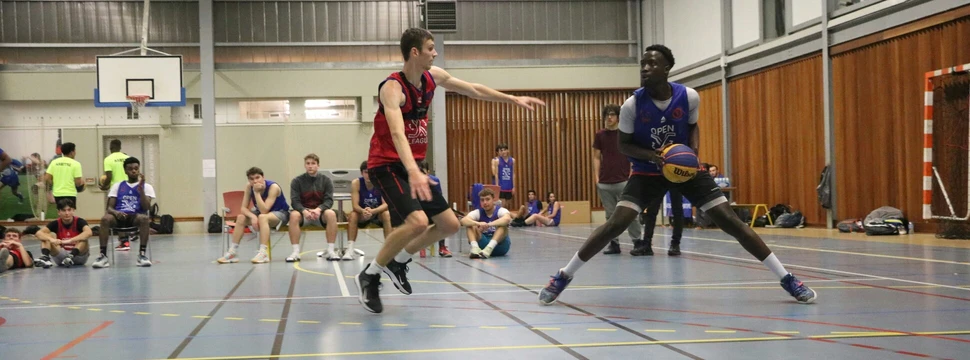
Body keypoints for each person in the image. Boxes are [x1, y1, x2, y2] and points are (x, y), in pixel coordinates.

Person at [538, 45, 816, 305]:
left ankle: (787, 278)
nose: (645, 68)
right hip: (647, 171)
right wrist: (653, 157)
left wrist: (693, 153)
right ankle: (564, 275)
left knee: (730, 221)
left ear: (667, 68)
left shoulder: (689, 96)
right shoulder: (632, 105)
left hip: (684, 169)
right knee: (615, 224)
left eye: (652, 64)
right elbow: (624, 145)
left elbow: (693, 127)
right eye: (643, 64)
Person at [355, 27, 545, 313]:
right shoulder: (392, 89)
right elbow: (396, 133)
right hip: (386, 164)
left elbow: (474, 89)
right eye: (430, 48)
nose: (435, 53)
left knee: (450, 225)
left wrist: (512, 99)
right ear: (415, 52)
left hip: (411, 165)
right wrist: (414, 171)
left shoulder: (433, 77)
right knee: (418, 222)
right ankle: (370, 275)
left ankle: (399, 261)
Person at [593, 104, 643, 255]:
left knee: (631, 213)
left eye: (612, 114)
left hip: (623, 181)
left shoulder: (625, 134)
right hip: (605, 182)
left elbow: (633, 154)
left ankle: (637, 242)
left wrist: (632, 174)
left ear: (618, 117)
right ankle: (614, 243)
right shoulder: (600, 135)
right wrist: (597, 178)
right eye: (607, 115)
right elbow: (596, 157)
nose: (609, 117)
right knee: (610, 216)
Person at [218, 167, 290, 264]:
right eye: (251, 179)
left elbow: (264, 210)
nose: (255, 181)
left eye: (257, 177)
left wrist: (256, 193)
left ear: (263, 177)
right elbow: (243, 208)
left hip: (281, 213)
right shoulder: (249, 187)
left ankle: (263, 253)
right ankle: (232, 252)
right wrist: (253, 217)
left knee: (262, 217)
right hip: (261, 214)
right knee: (241, 218)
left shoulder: (273, 187)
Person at [92, 157, 155, 268]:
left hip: (135, 217)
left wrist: (141, 191)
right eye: (130, 169)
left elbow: (146, 208)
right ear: (125, 171)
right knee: (105, 219)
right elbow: (109, 208)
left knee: (144, 219)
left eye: (136, 168)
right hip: (119, 217)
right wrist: (116, 213)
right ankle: (103, 256)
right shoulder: (117, 186)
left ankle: (142, 255)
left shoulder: (147, 187)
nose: (134, 171)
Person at [287, 154, 338, 262]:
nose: (310, 166)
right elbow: (295, 201)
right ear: (305, 165)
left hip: (320, 214)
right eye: (308, 163)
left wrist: (319, 209)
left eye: (313, 163)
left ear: (318, 166)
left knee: (331, 214)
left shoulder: (326, 180)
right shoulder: (297, 181)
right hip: (303, 214)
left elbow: (329, 200)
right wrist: (304, 211)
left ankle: (331, 250)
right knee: (293, 215)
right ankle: (295, 252)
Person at [346, 160, 393, 260]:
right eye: (366, 172)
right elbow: (355, 205)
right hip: (362, 214)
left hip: (377, 213)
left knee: (387, 214)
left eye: (371, 172)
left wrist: (373, 211)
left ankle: (389, 249)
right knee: (353, 215)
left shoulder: (381, 182)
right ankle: (350, 249)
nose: (368, 175)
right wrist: (363, 211)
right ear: (362, 173)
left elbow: (386, 204)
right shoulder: (356, 183)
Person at [33, 199, 93, 268]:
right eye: (64, 210)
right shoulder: (56, 223)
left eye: (69, 210)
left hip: (78, 255)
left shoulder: (79, 221)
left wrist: (70, 240)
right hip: (61, 256)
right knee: (46, 236)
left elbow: (89, 232)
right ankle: (45, 258)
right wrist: (52, 240)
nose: (67, 213)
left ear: (73, 210)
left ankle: (70, 256)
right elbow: (38, 233)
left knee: (84, 238)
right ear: (59, 212)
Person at [461, 188, 512, 259]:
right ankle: (475, 248)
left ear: (493, 200)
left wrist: (489, 224)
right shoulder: (478, 212)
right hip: (483, 245)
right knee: (470, 225)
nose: (485, 202)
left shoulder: (501, 210)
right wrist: (478, 223)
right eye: (482, 200)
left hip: (500, 246)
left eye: (487, 199)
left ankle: (489, 248)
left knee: (503, 225)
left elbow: (507, 219)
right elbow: (463, 220)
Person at [417, 160, 452, 257]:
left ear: (428, 172)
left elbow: (439, 198)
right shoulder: (413, 182)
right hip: (420, 210)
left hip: (432, 209)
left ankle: (442, 247)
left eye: (423, 172)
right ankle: (421, 245)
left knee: (443, 221)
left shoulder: (435, 181)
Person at [638, 189, 685, 256]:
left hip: (676, 182)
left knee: (677, 209)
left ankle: (675, 244)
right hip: (659, 182)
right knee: (652, 209)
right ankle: (647, 244)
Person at [45, 142, 84, 207]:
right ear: (72, 152)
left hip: (57, 193)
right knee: (69, 211)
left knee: (61, 211)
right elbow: (77, 182)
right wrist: (82, 184)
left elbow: (47, 178)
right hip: (70, 193)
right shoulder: (76, 164)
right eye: (75, 151)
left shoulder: (54, 162)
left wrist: (54, 183)